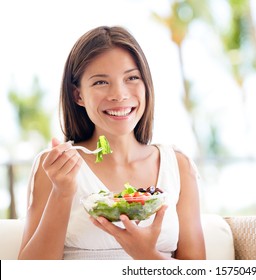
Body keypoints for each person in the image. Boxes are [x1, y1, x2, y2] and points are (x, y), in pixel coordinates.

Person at [18, 26, 206, 260]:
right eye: (100, 82)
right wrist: (62, 193)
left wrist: (147, 255)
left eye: (132, 78)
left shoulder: (178, 166)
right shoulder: (55, 167)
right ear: (78, 95)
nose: (119, 94)